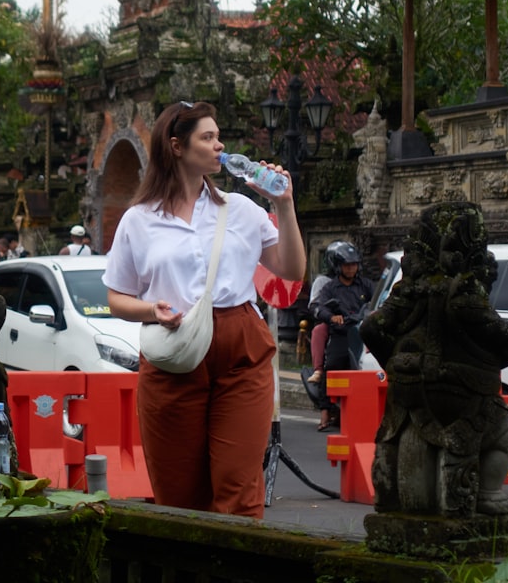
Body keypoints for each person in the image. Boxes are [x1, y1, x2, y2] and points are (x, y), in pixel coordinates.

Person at [102, 100, 305, 517]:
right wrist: (150, 310)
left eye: (218, 136)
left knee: (238, 488)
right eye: (207, 137)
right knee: (179, 493)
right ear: (177, 146)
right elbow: (116, 298)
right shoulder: (139, 220)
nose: (219, 146)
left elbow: (291, 269)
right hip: (175, 352)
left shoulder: (242, 210)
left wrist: (284, 205)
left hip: (241, 349)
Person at [308, 240, 375, 431]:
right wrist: (332, 317)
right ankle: (324, 413)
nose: (351, 269)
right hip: (341, 333)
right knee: (332, 367)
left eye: (354, 265)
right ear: (338, 267)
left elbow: (377, 301)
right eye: (347, 265)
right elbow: (317, 307)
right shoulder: (330, 287)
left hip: (362, 332)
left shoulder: (366, 285)